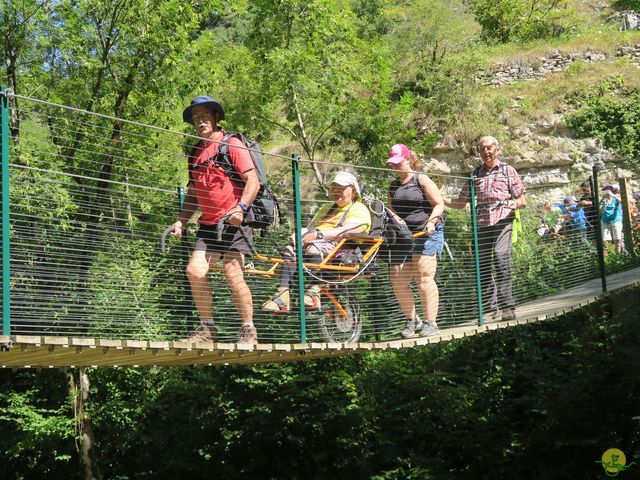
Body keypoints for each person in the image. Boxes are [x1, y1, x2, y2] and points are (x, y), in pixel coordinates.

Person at [170, 95, 260, 344]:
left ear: (215, 117)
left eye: (204, 116)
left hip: (234, 222)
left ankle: (248, 330)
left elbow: (253, 181)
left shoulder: (231, 144)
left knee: (233, 275)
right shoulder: (195, 153)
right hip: (208, 225)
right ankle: (207, 330)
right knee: (194, 272)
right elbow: (193, 193)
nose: (200, 121)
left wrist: (241, 208)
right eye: (195, 118)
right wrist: (182, 221)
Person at [262, 172, 371, 312]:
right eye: (334, 187)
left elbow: (349, 230)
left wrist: (318, 236)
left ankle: (313, 292)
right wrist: (300, 234)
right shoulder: (326, 208)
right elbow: (311, 227)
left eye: (341, 188)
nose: (336, 191)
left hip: (342, 245)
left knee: (313, 248)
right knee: (289, 249)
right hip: (318, 241)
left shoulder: (358, 208)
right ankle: (282, 296)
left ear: (353, 190)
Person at [444, 136, 526, 322]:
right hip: (481, 223)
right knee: (482, 265)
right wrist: (438, 198)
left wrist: (514, 203)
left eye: (489, 148)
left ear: (497, 149)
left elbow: (522, 200)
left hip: (503, 220)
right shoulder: (474, 174)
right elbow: (460, 202)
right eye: (483, 149)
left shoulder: (508, 170)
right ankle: (490, 310)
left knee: (500, 257)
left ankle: (507, 307)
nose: (486, 152)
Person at [386, 144, 445, 338]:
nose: (395, 167)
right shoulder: (393, 186)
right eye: (392, 164)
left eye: (398, 163)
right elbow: (391, 209)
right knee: (397, 278)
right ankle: (412, 320)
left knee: (424, 276)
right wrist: (396, 220)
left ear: (408, 159)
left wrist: (432, 222)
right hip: (404, 236)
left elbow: (439, 204)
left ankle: (431, 323)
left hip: (426, 233)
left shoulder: (421, 179)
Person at [599, 184, 624, 254]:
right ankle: (607, 258)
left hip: (616, 221)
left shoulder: (615, 198)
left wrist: (613, 195)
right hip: (605, 222)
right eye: (604, 192)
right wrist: (603, 204)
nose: (605, 193)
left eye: (606, 192)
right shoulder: (602, 200)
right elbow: (599, 211)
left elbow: (623, 201)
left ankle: (618, 255)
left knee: (617, 240)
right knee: (604, 241)